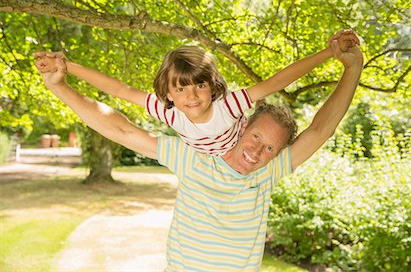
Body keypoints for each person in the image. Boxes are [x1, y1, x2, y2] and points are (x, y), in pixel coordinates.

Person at [34, 37, 363, 271]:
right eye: (257, 137)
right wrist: (61, 85)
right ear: (243, 124)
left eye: (270, 148)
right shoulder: (191, 156)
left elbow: (321, 128)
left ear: (277, 155)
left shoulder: (269, 171)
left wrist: (351, 68)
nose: (256, 151)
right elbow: (118, 127)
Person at [33, 29, 359, 155]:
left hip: (235, 150)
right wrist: (67, 65)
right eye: (181, 88)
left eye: (200, 86)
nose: (192, 96)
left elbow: (276, 82)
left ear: (212, 87)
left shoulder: (228, 106)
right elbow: (119, 89)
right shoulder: (166, 109)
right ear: (168, 93)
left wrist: (329, 53)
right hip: (203, 160)